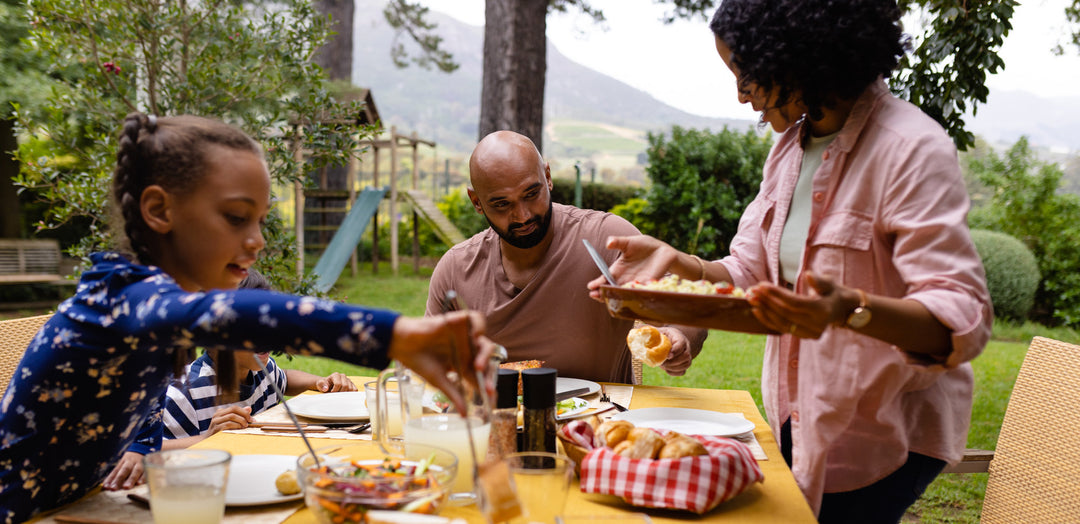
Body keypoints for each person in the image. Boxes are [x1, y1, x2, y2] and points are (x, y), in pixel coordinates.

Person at [587, 1, 993, 521]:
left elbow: (962, 320)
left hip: (885, 434)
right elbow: (747, 272)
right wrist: (678, 264)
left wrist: (848, 310)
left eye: (745, 71)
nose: (739, 93)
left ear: (800, 51)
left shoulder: (910, 148)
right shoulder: (790, 148)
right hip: (799, 418)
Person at [0, 113, 493, 523]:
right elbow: (236, 315)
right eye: (237, 218)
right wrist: (396, 335)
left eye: (260, 219)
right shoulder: (123, 300)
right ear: (158, 210)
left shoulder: (155, 309)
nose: (256, 239)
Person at [426, 130, 706, 383]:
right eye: (502, 204)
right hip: (498, 428)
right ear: (477, 201)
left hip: (602, 427)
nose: (522, 216)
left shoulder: (606, 238)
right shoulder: (455, 270)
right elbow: (430, 363)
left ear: (547, 177)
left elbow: (690, 308)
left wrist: (681, 337)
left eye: (531, 193)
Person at [101, 270, 359, 491]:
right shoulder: (185, 392)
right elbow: (151, 451)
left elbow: (286, 379)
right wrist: (209, 438)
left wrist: (321, 383)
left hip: (256, 477)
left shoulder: (261, 368)